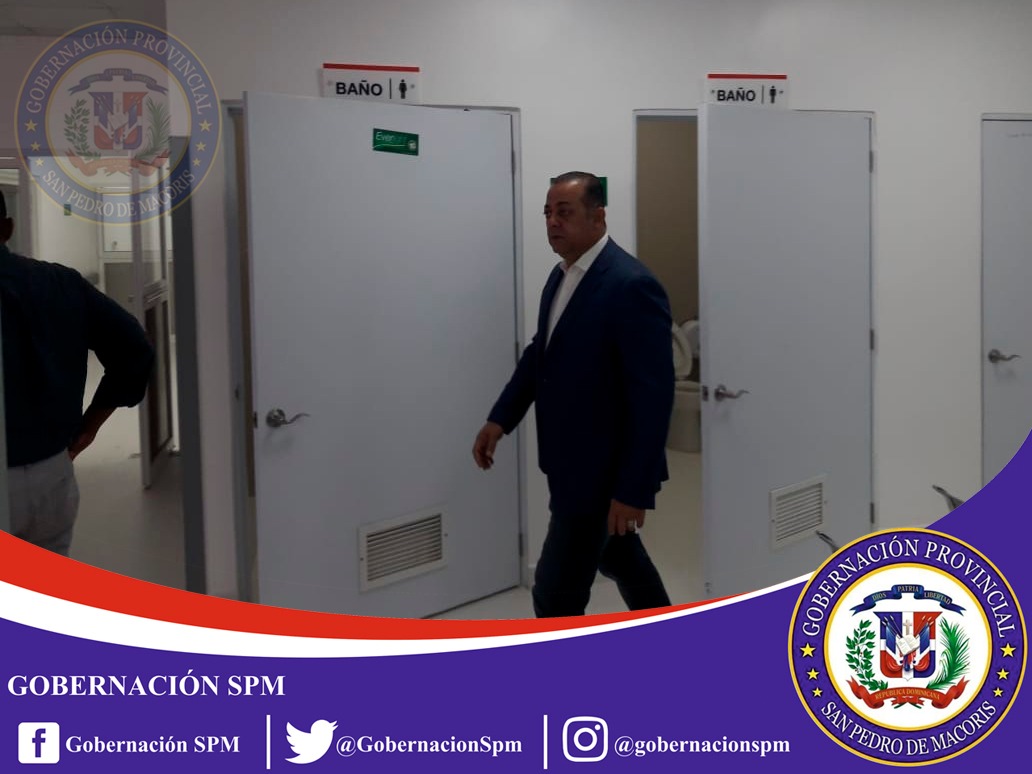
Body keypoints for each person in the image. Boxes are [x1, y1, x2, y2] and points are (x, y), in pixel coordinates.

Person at [473, 171, 675, 617]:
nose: (552, 222)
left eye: (564, 212)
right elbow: (540, 354)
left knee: (554, 593)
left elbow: (653, 398)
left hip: (602, 476)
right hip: (567, 463)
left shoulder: (630, 285)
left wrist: (632, 490)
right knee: (620, 557)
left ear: (598, 217)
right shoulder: (562, 274)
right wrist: (500, 418)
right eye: (548, 213)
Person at [0, 190, 154, 555]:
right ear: (8, 228)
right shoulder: (61, 284)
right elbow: (134, 349)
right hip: (52, 474)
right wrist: (90, 426)